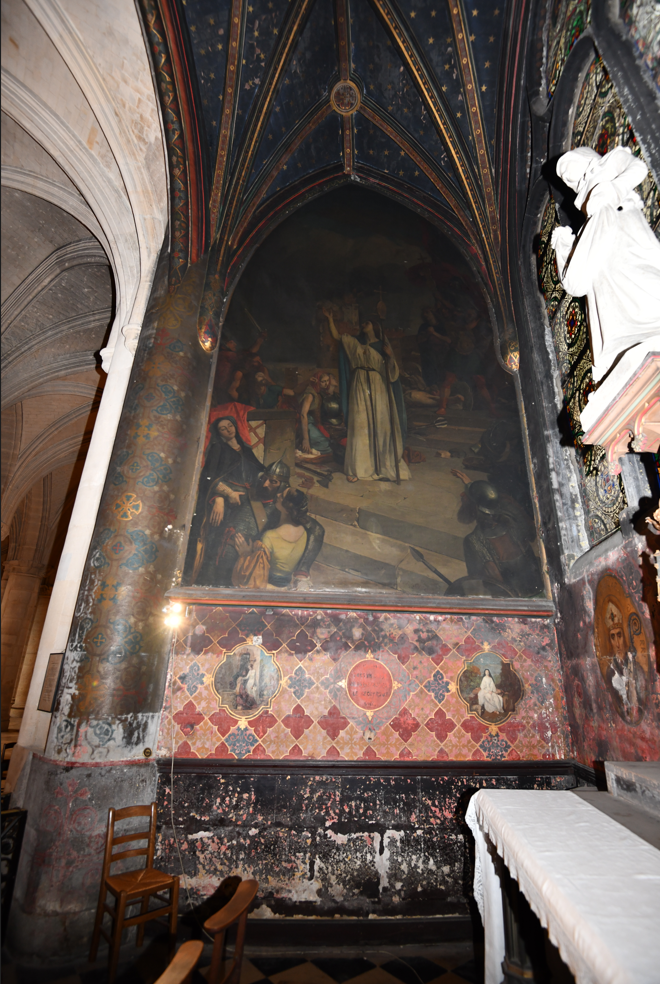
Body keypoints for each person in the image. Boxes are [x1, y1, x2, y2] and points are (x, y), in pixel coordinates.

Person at [552, 145, 660, 383]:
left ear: (584, 160)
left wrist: (614, 189)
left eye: (569, 170)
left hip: (620, 219)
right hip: (601, 231)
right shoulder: (586, 203)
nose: (569, 179)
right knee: (603, 286)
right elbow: (577, 283)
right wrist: (565, 247)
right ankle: (621, 343)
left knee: (637, 273)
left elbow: (638, 167)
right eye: (566, 178)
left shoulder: (609, 163)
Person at [324, 306, 410, 483]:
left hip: (378, 386)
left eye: (368, 322)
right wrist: (329, 319)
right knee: (361, 423)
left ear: (376, 326)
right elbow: (337, 337)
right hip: (359, 385)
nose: (364, 324)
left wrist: (389, 356)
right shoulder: (355, 344)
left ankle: (382, 467)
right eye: (363, 322)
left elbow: (392, 373)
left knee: (380, 425)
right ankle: (359, 468)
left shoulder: (383, 345)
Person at [188, 416, 264, 586]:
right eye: (223, 428)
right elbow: (209, 477)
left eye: (230, 425)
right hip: (226, 504)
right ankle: (210, 583)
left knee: (241, 543)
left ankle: (233, 581)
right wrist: (222, 496)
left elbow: (259, 471)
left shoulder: (245, 450)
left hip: (248, 503)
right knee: (218, 543)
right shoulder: (218, 448)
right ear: (218, 433)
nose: (229, 430)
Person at [451, 471, 544, 597]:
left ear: (475, 507)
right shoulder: (512, 518)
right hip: (539, 590)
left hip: (515, 602)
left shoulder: (473, 541)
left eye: (465, 496)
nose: (461, 496)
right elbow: (491, 500)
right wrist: (475, 487)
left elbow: (480, 587)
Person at [233, 488, 320, 589]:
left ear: (287, 509)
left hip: (271, 588)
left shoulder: (270, 536)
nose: (278, 495)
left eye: (282, 496)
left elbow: (254, 582)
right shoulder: (304, 531)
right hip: (287, 583)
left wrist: (246, 555)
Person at [299, 372, 343, 456]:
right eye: (323, 381)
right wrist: (305, 439)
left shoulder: (316, 392)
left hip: (311, 423)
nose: (327, 384)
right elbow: (303, 415)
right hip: (305, 425)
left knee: (330, 444)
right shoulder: (310, 394)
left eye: (327, 381)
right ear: (317, 381)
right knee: (327, 447)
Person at [417, 307, 451, 390]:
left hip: (442, 351)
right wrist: (428, 334)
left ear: (433, 313)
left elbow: (448, 340)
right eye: (424, 313)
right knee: (429, 359)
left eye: (427, 312)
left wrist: (434, 333)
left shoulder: (442, 325)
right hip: (429, 351)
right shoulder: (424, 326)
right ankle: (432, 385)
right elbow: (419, 340)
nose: (425, 315)